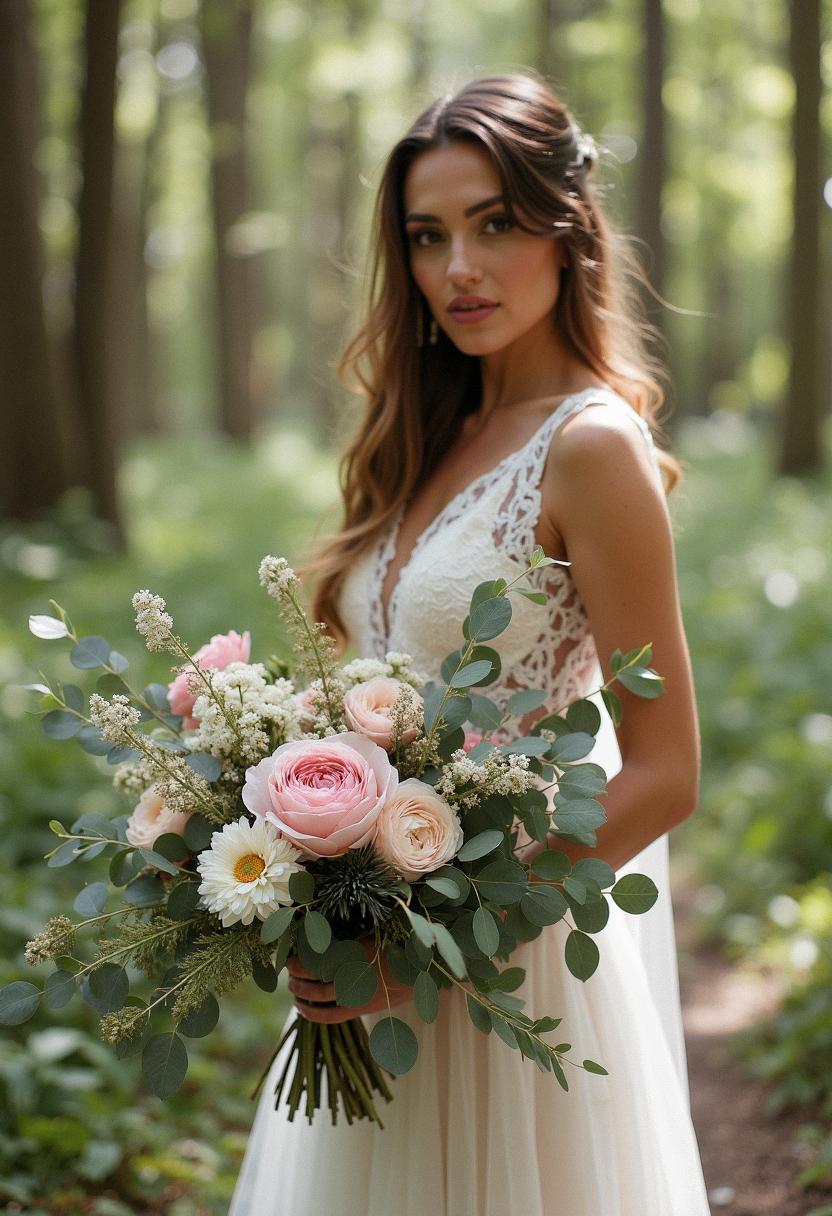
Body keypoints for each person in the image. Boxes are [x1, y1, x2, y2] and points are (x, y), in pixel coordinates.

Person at [230, 72, 710, 1215]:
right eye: (427, 235)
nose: (459, 268)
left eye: (494, 224)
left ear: (564, 226)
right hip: (372, 958)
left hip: (505, 963)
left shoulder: (590, 448)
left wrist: (431, 944)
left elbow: (665, 772)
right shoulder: (424, 435)